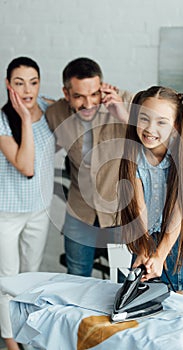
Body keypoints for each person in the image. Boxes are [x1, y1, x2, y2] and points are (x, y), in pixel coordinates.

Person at [46, 57, 133, 277]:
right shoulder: (55, 113)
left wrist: (122, 115)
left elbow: (156, 145)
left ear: (102, 87)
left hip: (120, 211)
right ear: (66, 94)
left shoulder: (125, 102)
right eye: (79, 96)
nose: (88, 103)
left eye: (94, 94)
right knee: (76, 276)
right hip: (80, 210)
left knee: (124, 278)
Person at [118, 86, 183, 292]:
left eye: (161, 122)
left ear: (176, 126)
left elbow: (178, 215)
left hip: (175, 237)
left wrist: (161, 253)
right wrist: (144, 248)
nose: (150, 129)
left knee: (174, 303)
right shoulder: (133, 158)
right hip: (142, 235)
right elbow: (139, 208)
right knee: (138, 297)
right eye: (144, 118)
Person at [0, 57, 55, 350]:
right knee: (8, 279)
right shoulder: (2, 120)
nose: (27, 89)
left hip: (39, 208)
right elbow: (26, 166)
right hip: (6, 212)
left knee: (32, 275)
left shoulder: (48, 110)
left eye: (33, 82)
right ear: (9, 85)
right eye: (19, 83)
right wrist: (23, 116)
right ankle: (10, 344)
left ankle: (28, 335)